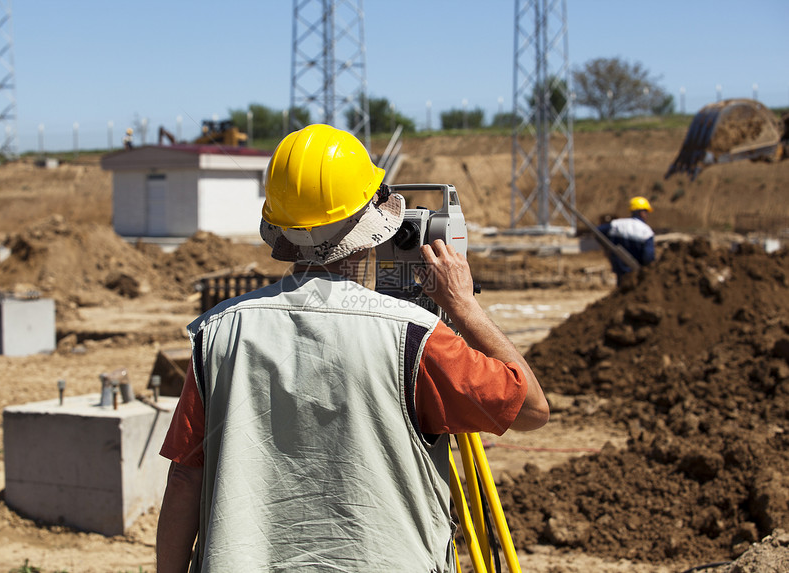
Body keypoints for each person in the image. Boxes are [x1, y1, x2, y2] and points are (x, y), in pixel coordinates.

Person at [156, 124, 549, 573]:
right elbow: (532, 409)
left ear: (279, 226)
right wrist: (464, 307)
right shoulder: (416, 339)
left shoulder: (218, 332)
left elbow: (186, 476)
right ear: (375, 226)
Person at [597, 196, 656, 285]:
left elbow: (597, 232)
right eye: (646, 212)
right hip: (637, 275)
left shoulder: (617, 225)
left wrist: (607, 248)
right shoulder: (646, 231)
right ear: (641, 213)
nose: (647, 215)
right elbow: (648, 256)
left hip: (620, 271)